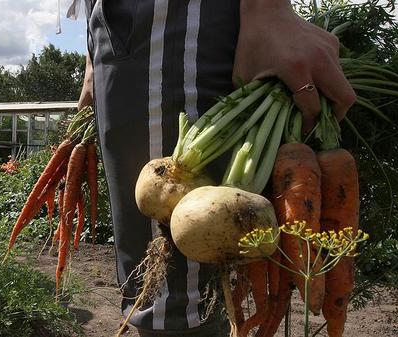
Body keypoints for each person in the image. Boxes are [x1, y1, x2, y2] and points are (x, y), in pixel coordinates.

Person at [75, 0, 355, 336]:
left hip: (175, 14)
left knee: (178, 304)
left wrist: (268, 9)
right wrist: (93, 46)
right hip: (114, 27)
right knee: (159, 298)